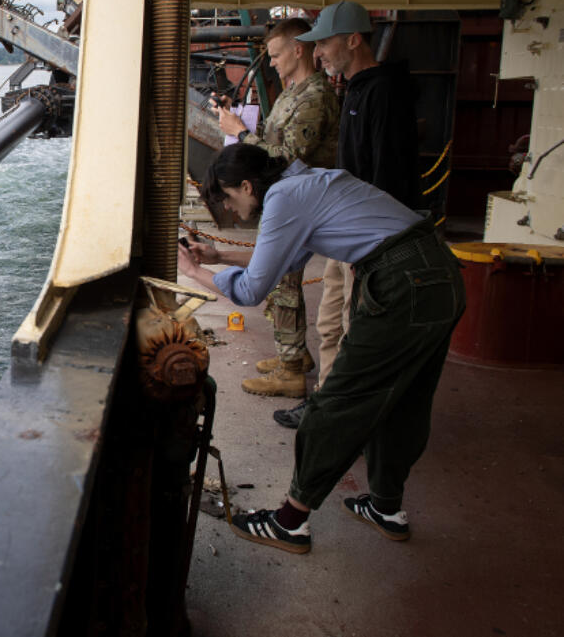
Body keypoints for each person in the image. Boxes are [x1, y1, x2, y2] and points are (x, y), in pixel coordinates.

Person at [177, 144, 463, 554]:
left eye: (228, 198)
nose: (230, 209)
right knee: (406, 401)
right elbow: (288, 258)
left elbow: (251, 290)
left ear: (245, 184)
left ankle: (290, 522)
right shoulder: (305, 182)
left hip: (402, 284)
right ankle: (386, 508)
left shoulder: (282, 197)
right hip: (439, 274)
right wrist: (219, 253)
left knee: (335, 404)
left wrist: (195, 272)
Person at [273, 1, 421, 430]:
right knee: (331, 322)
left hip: (369, 238)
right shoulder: (356, 89)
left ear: (353, 40)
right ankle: (327, 405)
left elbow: (387, 173)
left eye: (325, 44)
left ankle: (346, 414)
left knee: (356, 328)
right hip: (348, 230)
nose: (318, 53)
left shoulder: (383, 92)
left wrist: (370, 246)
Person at [212, 18, 339, 399]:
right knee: (284, 283)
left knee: (283, 284)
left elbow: (286, 156)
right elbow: (271, 137)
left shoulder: (315, 98)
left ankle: (289, 371)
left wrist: (240, 133)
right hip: (288, 200)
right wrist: (239, 119)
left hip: (303, 204)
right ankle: (295, 356)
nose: (271, 63)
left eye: (276, 55)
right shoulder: (291, 93)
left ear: (298, 50)